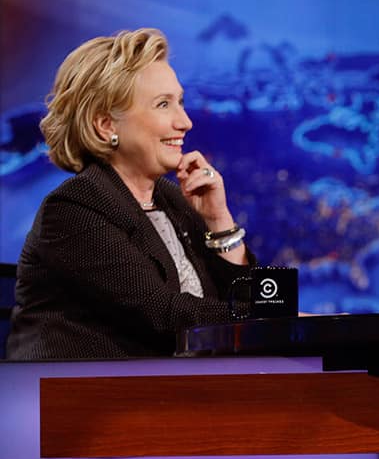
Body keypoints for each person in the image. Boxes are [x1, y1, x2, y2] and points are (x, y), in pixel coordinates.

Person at [7, 28, 256, 359]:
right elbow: (164, 317)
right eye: (163, 104)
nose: (185, 122)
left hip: (171, 395)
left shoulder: (173, 201)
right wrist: (269, 318)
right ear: (106, 125)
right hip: (77, 403)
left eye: (180, 102)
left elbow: (242, 299)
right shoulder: (72, 210)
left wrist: (218, 220)